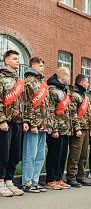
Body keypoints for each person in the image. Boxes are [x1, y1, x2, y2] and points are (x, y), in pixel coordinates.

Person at [0, 50, 27, 197]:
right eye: (14, 58)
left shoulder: (18, 79)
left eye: (18, 58)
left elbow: (22, 102)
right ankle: (1, 181)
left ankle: (9, 180)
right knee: (3, 153)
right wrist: (2, 120)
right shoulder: (1, 77)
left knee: (15, 154)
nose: (18, 61)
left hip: (17, 121)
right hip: (6, 122)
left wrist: (24, 120)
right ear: (6, 61)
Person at [22, 56, 50, 193]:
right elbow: (28, 104)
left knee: (40, 156)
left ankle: (35, 181)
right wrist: (31, 123)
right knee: (30, 155)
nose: (42, 68)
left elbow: (46, 106)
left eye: (43, 66)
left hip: (43, 124)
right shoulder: (29, 82)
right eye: (40, 66)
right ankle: (27, 182)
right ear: (33, 66)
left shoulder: (42, 84)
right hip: (34, 125)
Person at [66, 74, 91, 187]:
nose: (88, 84)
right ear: (81, 82)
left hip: (86, 128)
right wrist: (77, 128)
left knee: (83, 154)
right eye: (87, 82)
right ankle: (71, 176)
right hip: (78, 129)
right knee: (75, 154)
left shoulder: (84, 95)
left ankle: (81, 176)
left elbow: (89, 113)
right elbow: (73, 113)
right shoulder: (74, 95)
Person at [46, 67, 71, 190]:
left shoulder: (64, 90)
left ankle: (59, 178)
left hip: (65, 128)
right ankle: (51, 179)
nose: (69, 78)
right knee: (54, 154)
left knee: (62, 155)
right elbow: (50, 110)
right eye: (68, 75)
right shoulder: (52, 89)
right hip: (56, 128)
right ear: (61, 76)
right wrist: (54, 128)